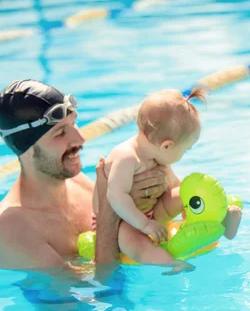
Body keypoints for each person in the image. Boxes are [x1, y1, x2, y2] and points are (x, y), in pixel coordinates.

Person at [0, 79, 167, 271]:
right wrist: (109, 211)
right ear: (26, 149)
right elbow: (96, 292)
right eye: (60, 132)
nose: (80, 139)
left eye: (74, 124)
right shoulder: (8, 228)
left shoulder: (77, 183)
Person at [93, 87, 242, 267]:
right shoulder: (126, 156)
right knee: (133, 242)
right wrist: (145, 225)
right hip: (121, 220)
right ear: (166, 146)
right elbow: (116, 197)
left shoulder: (157, 157)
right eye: (184, 151)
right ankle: (170, 262)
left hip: (151, 212)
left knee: (186, 192)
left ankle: (219, 223)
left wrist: (188, 199)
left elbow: (176, 188)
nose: (182, 156)